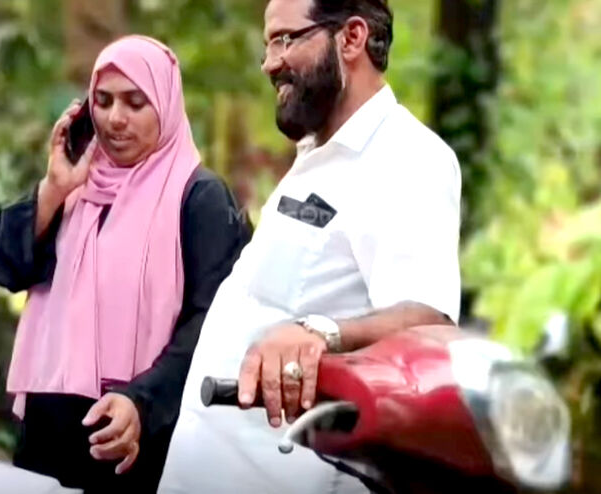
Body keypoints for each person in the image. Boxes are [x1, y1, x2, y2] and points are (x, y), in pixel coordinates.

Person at [158, 1, 461, 493]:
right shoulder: (315, 153)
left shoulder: (409, 159)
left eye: (285, 39)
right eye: (267, 45)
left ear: (352, 38)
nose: (269, 63)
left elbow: (430, 321)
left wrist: (320, 332)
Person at [0, 35, 251, 493]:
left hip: (138, 435)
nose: (115, 118)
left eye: (135, 102)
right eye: (102, 101)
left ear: (165, 105)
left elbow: (213, 321)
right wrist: (53, 189)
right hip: (50, 432)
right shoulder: (75, 187)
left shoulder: (199, 197)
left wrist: (142, 402)